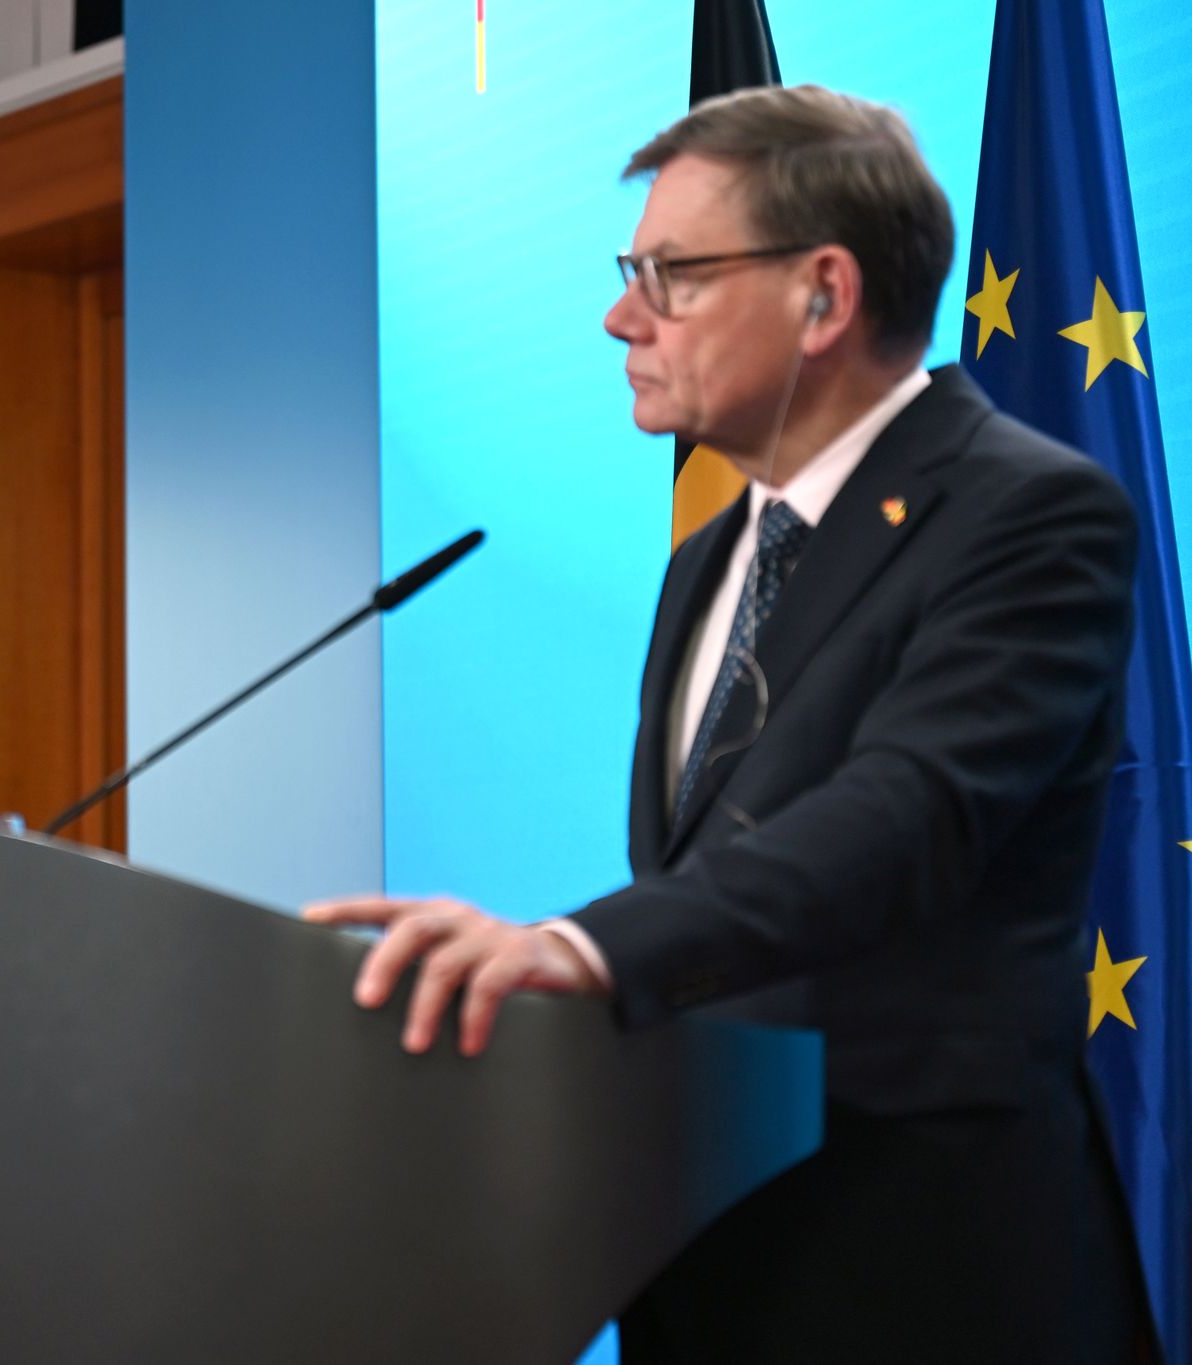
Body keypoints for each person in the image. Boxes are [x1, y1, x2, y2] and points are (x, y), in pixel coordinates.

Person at [307, 86, 1154, 1363]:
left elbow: (901, 817)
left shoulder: (1028, 513)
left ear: (823, 294)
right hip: (705, 1263)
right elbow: (709, 883)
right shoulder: (705, 561)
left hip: (922, 1278)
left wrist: (579, 949)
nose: (622, 317)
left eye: (671, 275)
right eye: (629, 275)